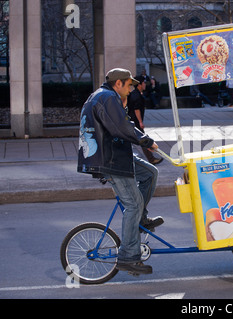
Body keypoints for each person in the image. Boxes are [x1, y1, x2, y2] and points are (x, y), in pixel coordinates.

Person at [78, 68, 164, 275]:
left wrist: (144, 139)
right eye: (129, 85)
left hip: (117, 154)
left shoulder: (104, 96)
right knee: (133, 204)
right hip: (110, 160)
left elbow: (122, 125)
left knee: (150, 173)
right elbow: (122, 128)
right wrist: (145, 141)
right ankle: (128, 256)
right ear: (118, 83)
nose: (131, 89)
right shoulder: (107, 97)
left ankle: (141, 219)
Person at [128, 75, 163, 165]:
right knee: (143, 140)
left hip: (132, 121)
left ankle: (150, 158)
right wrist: (140, 122)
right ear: (139, 84)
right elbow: (136, 110)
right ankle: (151, 159)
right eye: (143, 83)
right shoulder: (136, 95)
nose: (145, 85)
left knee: (137, 139)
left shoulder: (136, 93)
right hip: (135, 122)